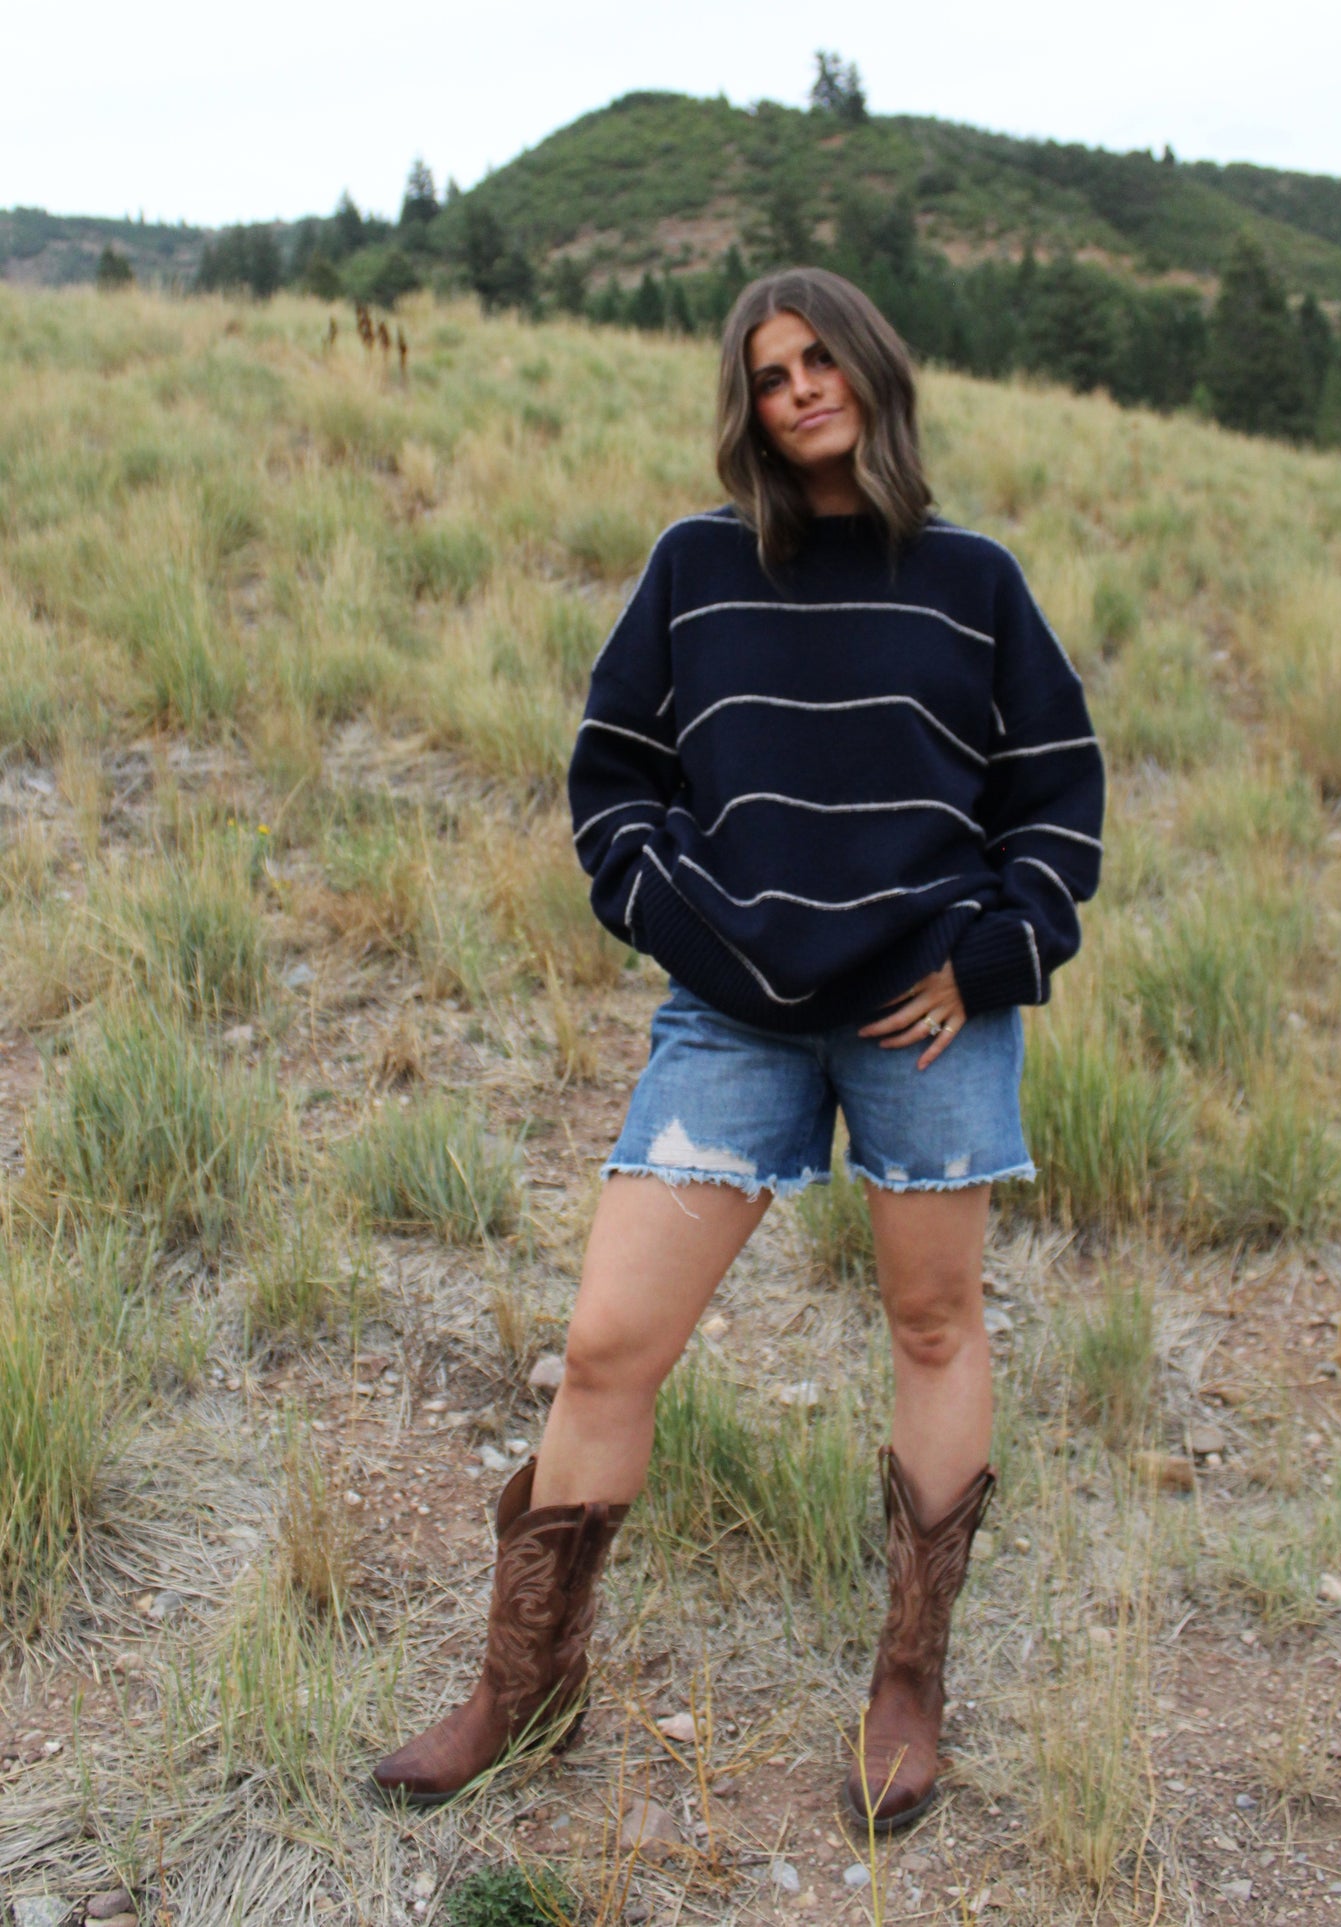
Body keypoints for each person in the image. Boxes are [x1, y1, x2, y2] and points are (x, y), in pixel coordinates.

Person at [374, 267, 1105, 1831]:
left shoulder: (971, 578)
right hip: (731, 1016)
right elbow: (610, 781)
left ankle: (907, 1682)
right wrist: (691, 930)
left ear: (873, 370)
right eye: (770, 373)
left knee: (930, 1327)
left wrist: (993, 952)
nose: (799, 389)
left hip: (925, 1020)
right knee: (606, 1346)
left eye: (822, 358)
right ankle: (524, 1690)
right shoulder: (697, 568)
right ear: (748, 405)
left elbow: (1055, 797)